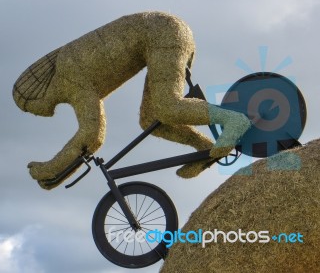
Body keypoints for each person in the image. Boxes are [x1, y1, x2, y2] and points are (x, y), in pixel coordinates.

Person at [13, 11, 251, 190]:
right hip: (162, 33)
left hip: (162, 33)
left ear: (35, 93)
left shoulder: (69, 75)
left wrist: (50, 168)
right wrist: (56, 177)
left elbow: (91, 136)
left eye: (27, 106)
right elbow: (91, 140)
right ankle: (204, 148)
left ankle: (233, 121)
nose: (32, 112)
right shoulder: (71, 73)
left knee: (168, 106)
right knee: (150, 119)